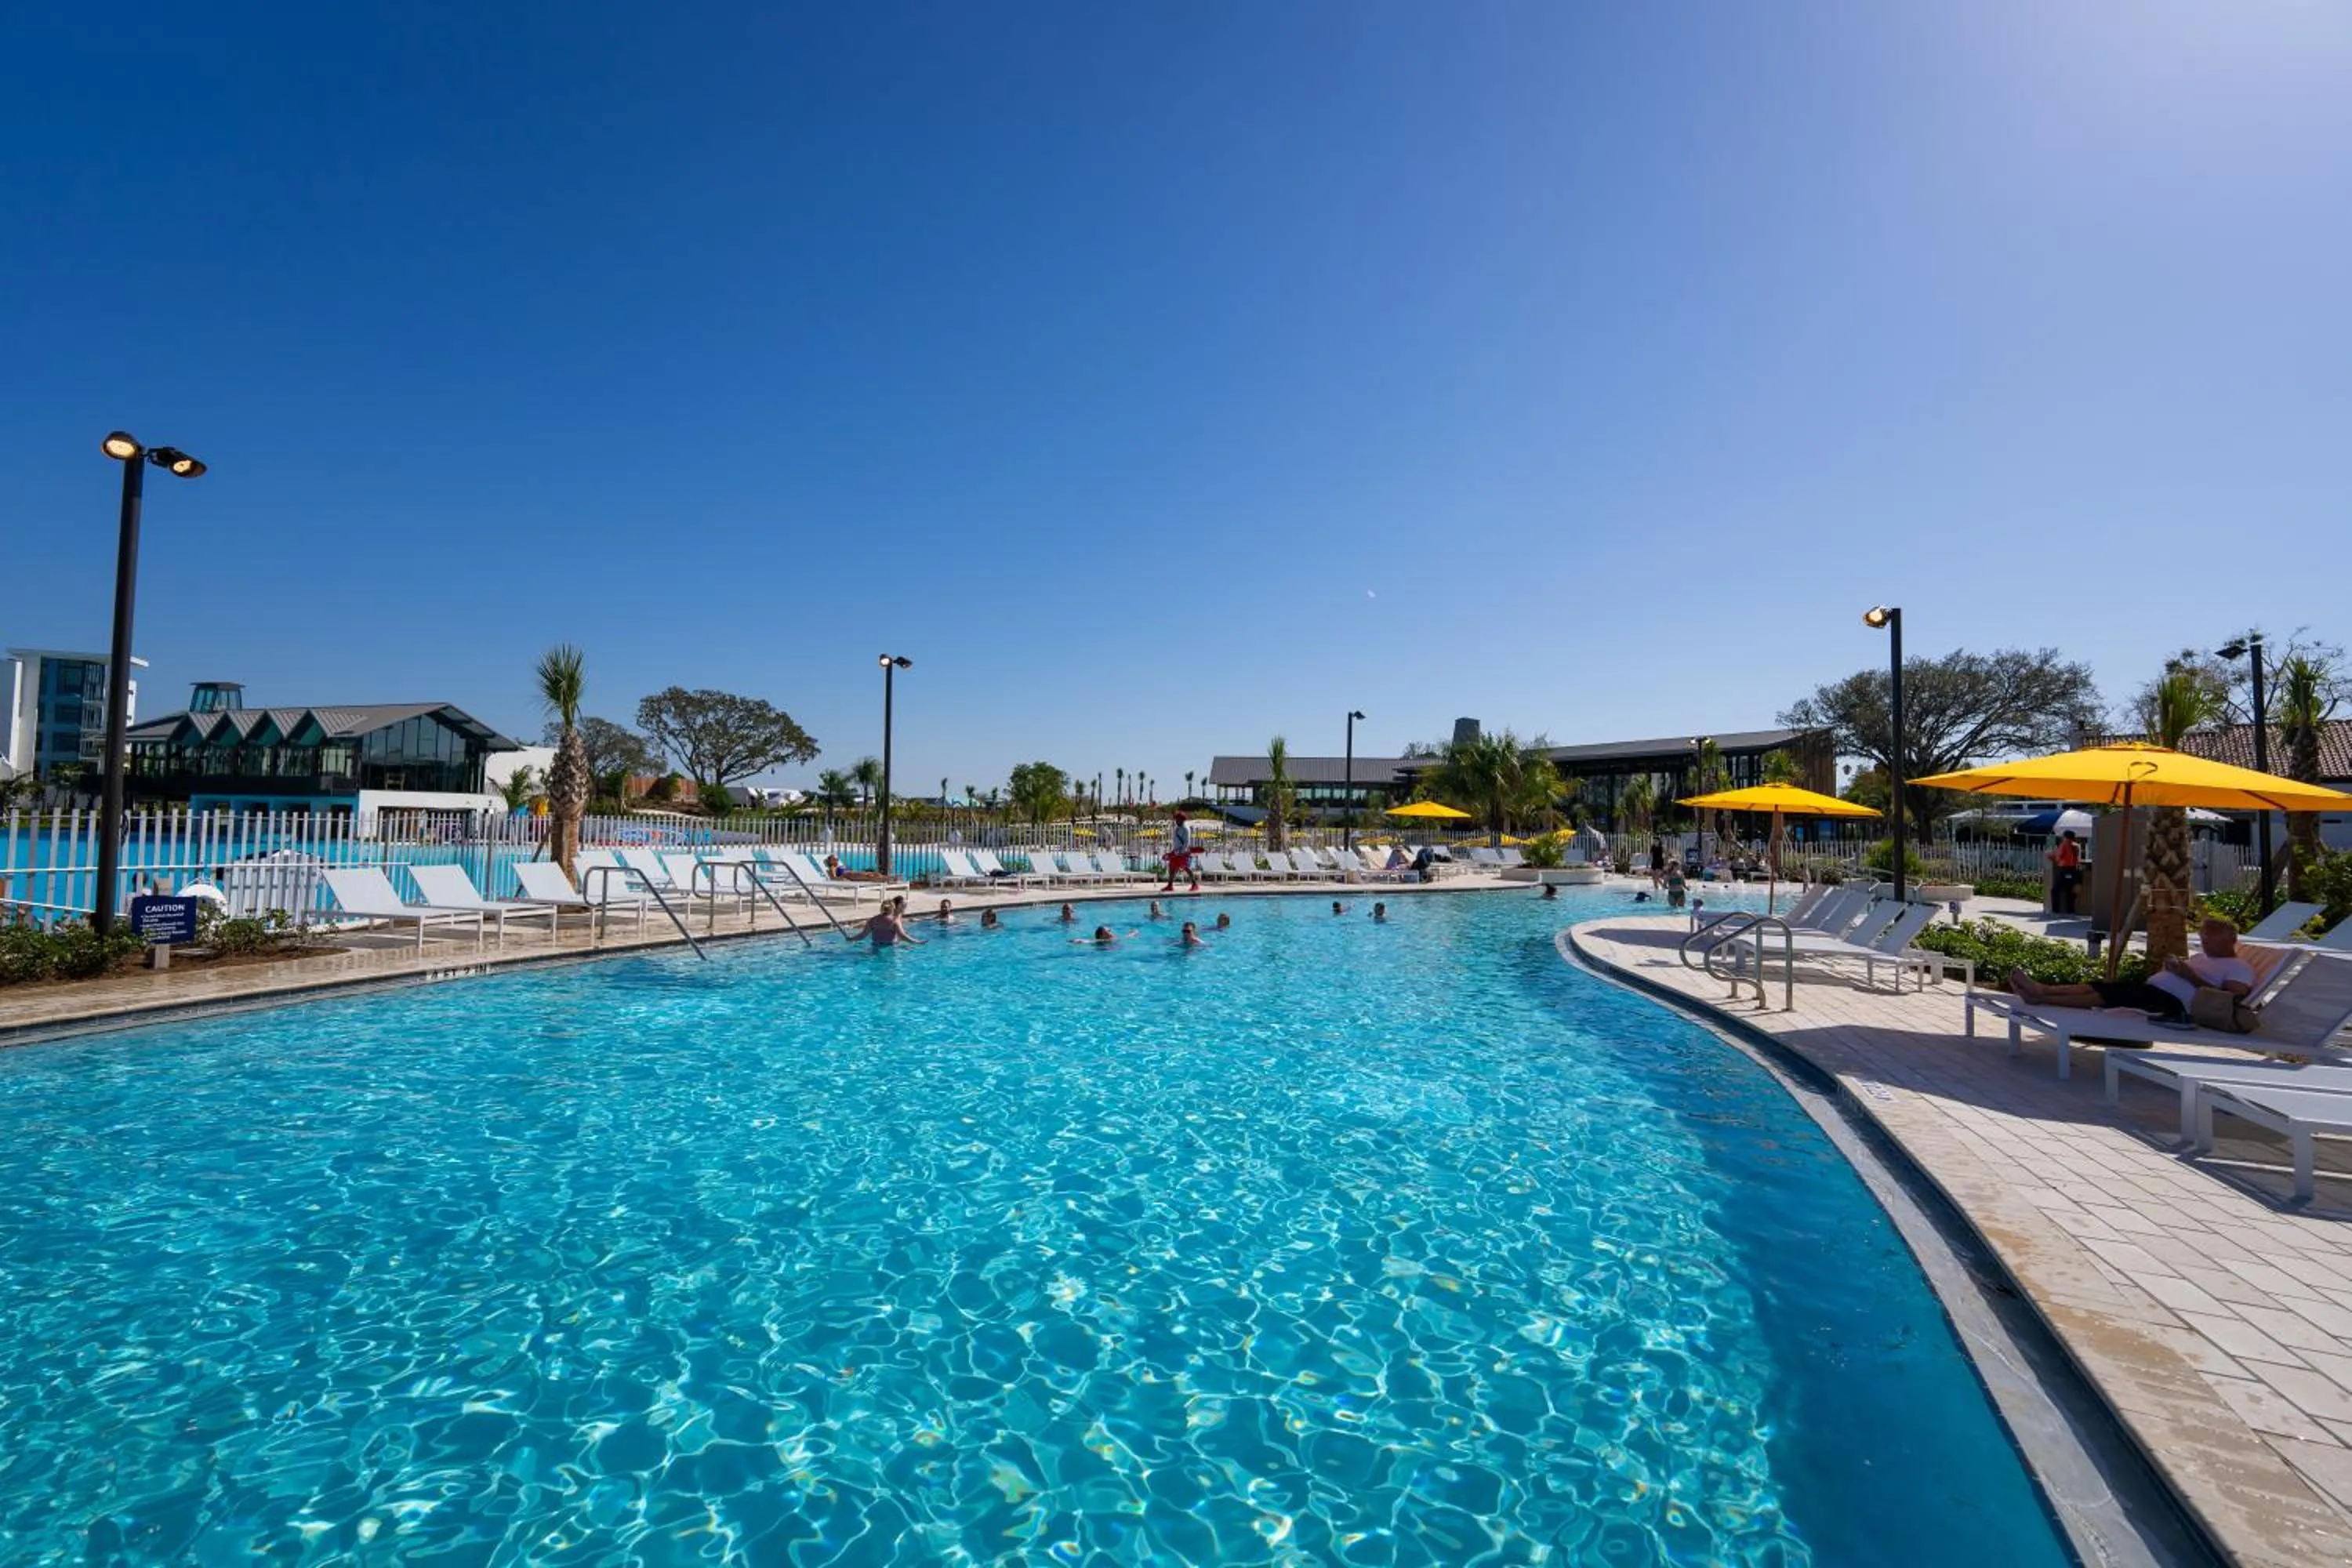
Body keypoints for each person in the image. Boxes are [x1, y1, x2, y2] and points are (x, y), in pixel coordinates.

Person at [2007, 917, 2255, 1022]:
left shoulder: (2239, 968)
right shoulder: (2204, 957)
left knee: (2108, 997)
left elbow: (2229, 1001)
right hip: (2154, 992)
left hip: (2174, 1005)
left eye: (2210, 939)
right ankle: (2042, 990)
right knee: (2101, 986)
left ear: (2230, 940)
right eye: (2203, 938)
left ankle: (2041, 997)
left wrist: (2187, 975)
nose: (2204, 943)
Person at [849, 895, 924, 948]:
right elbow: (903, 936)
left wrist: (851, 939)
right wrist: (917, 942)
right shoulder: (895, 921)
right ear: (893, 908)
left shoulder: (873, 920)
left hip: (875, 947)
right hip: (890, 948)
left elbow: (862, 935)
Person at [1163, 808, 1201, 893]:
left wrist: (1181, 852)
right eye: (1176, 819)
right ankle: (1170, 886)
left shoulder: (1186, 829)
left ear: (1182, 820)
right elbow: (1176, 840)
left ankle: (1195, 884)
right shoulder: (1177, 828)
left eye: (1178, 819)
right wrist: (1174, 851)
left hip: (1183, 853)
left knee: (1186, 868)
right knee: (1172, 868)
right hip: (1176, 852)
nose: (1176, 821)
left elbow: (1186, 842)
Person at [2048, 829, 2084, 915]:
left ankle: (2055, 910)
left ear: (2065, 836)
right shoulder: (2076, 846)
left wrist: (2050, 856)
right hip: (2073, 870)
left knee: (2055, 890)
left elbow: (2058, 858)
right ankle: (2070, 911)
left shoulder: (2064, 845)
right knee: (2069, 890)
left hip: (2064, 870)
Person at [824, 853, 889, 884]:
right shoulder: (833, 868)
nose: (837, 860)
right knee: (870, 876)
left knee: (874, 874)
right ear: (830, 861)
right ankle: (889, 879)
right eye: (834, 859)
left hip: (853, 873)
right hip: (850, 876)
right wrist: (843, 879)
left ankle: (888, 878)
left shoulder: (839, 866)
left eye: (837, 859)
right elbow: (834, 878)